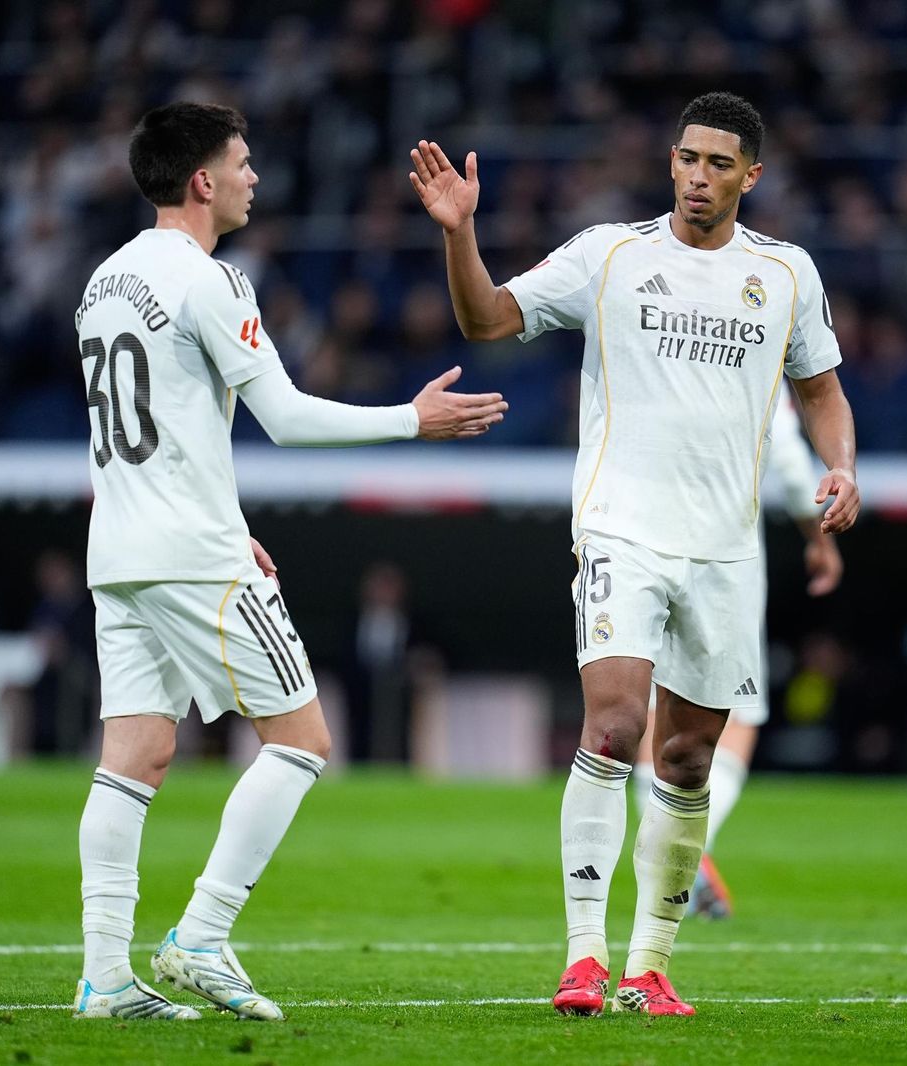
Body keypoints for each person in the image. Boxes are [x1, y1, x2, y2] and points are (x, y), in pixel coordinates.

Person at [410, 91, 859, 1017]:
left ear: (751, 176)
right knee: (614, 725)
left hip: (726, 551)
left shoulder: (785, 275)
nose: (699, 176)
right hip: (623, 526)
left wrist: (842, 467)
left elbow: (820, 391)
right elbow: (487, 319)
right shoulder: (610, 255)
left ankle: (650, 967)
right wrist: (460, 233)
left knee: (689, 760)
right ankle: (583, 957)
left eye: (719, 164)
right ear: (671, 161)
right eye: (687, 158)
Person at [73, 102, 505, 1022]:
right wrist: (409, 420)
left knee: (135, 758)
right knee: (303, 742)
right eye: (242, 160)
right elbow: (287, 417)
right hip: (193, 552)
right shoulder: (212, 280)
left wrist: (219, 509)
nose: (253, 176)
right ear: (202, 181)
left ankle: (105, 980)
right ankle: (201, 936)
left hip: (120, 548)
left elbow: (150, 435)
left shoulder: (102, 283)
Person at [630, 396, 843, 920]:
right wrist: (817, 539)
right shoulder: (753, 353)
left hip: (642, 546)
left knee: (651, 707)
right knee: (735, 716)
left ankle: (662, 842)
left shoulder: (656, 339)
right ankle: (688, 852)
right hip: (727, 561)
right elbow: (793, 468)